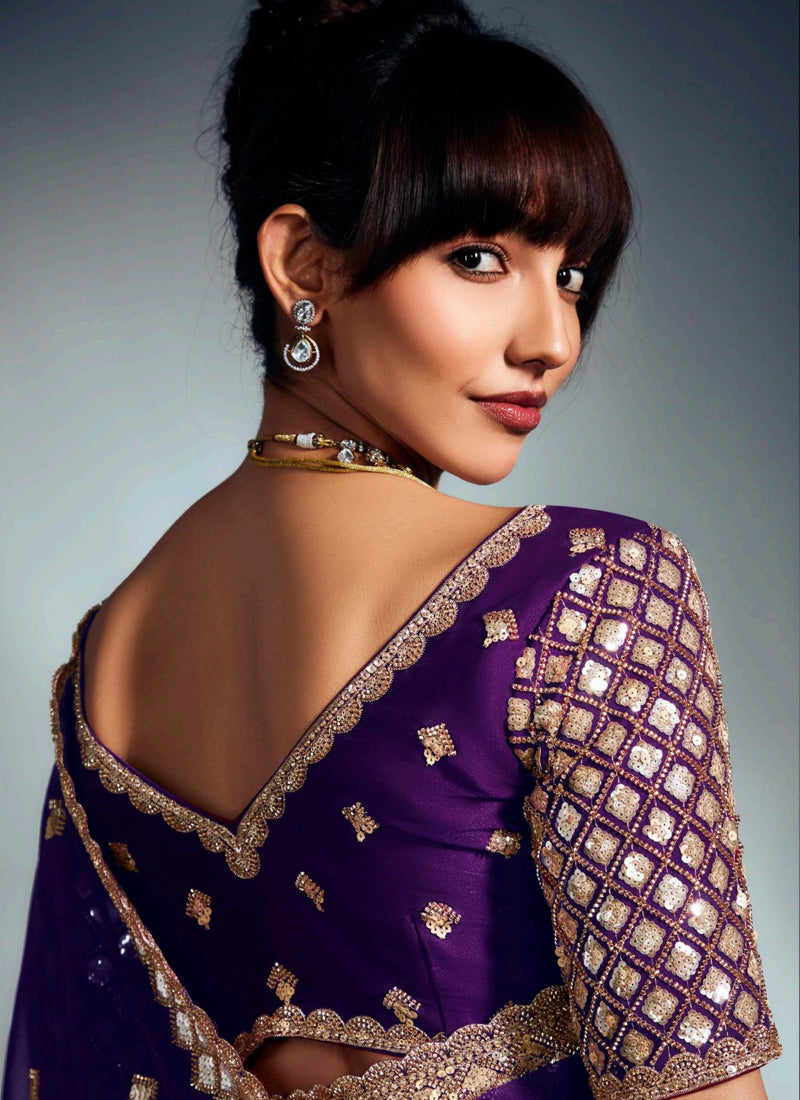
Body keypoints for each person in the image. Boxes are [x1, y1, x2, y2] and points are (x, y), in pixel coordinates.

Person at [1, 0, 783, 1097]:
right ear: (304, 266)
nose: (552, 339)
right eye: (479, 257)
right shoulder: (583, 594)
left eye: (569, 273)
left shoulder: (104, 665)